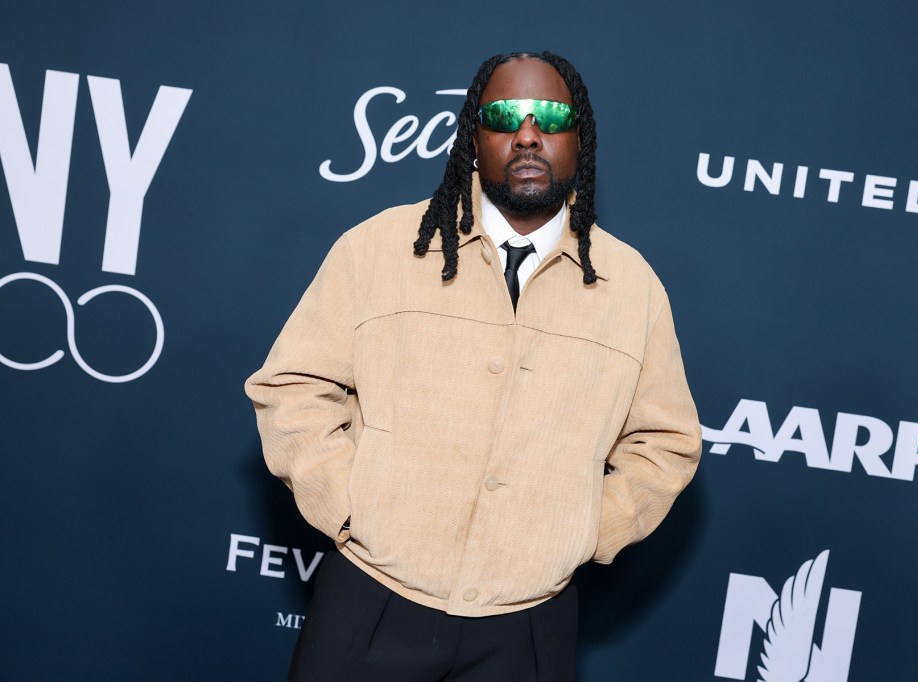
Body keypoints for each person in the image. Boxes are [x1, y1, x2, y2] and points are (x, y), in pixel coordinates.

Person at [245, 50, 701, 681]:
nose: (528, 135)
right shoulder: (378, 248)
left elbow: (666, 441)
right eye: (504, 116)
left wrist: (584, 531)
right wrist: (351, 508)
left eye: (550, 117)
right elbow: (292, 386)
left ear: (579, 138)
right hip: (370, 600)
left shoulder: (633, 289)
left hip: (529, 626)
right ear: (473, 136)